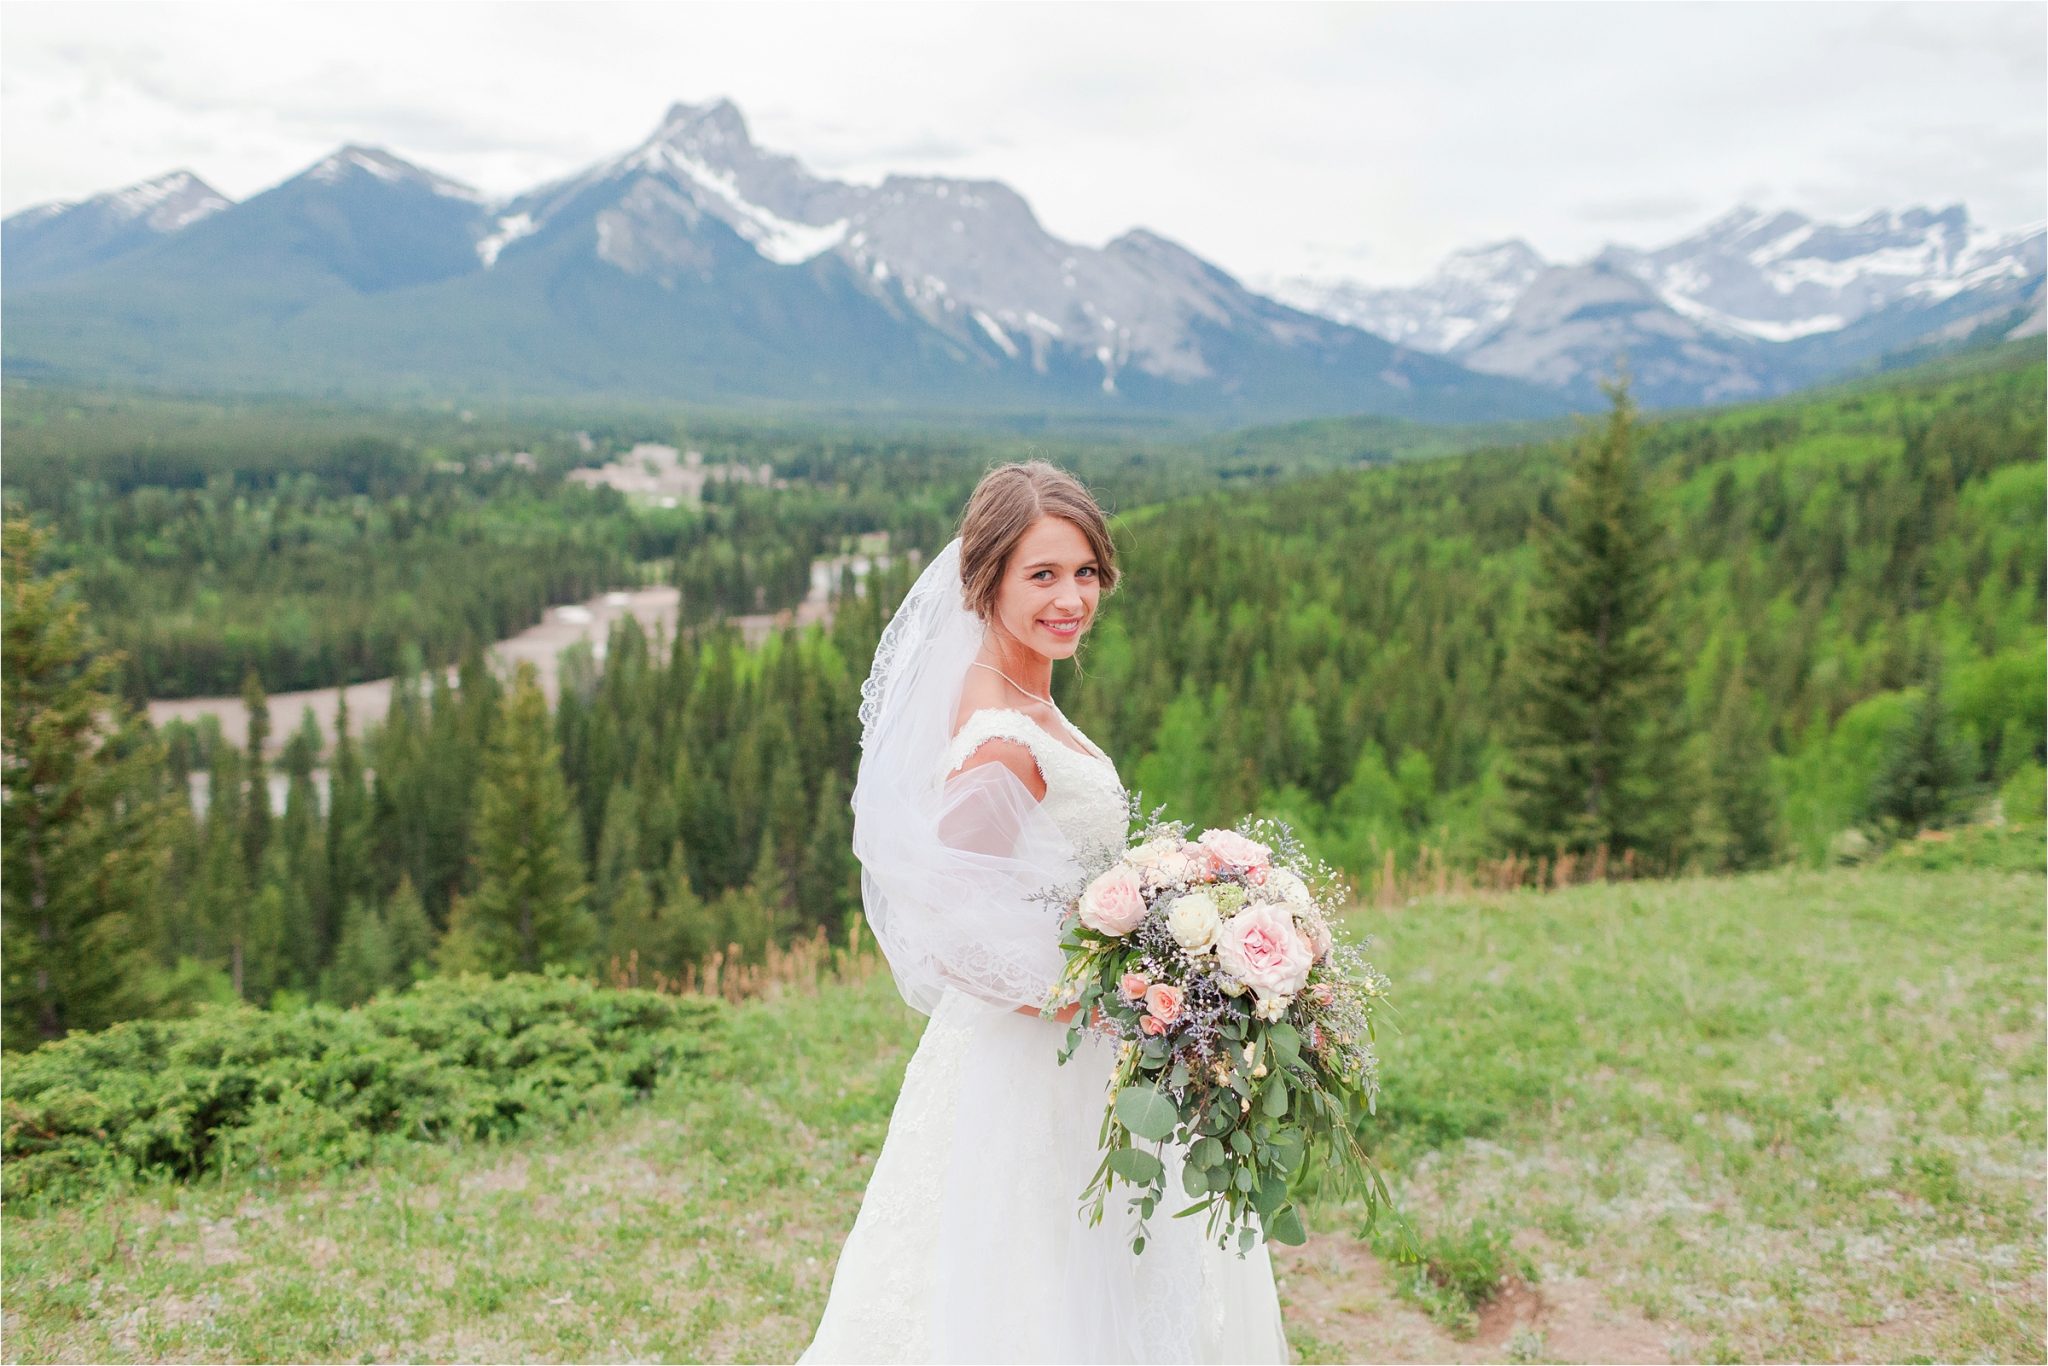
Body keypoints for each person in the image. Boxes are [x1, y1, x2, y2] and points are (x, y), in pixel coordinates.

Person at [797, 461, 1290, 1364]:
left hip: (1075, 1048)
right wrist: (1114, 1001)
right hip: (1036, 1067)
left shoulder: (1024, 696)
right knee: (1034, 1292)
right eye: (1043, 575)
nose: (1073, 598)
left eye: (1087, 573)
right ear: (983, 579)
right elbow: (949, 933)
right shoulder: (998, 741)